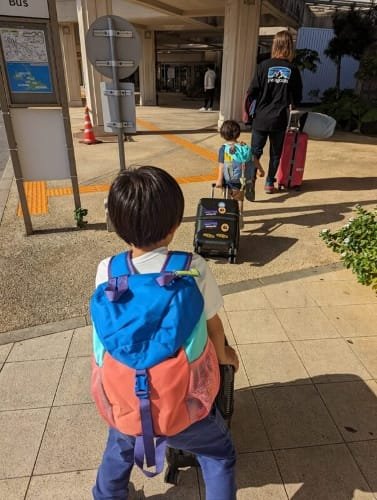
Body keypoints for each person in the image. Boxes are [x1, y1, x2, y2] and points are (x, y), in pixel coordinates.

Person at [91, 166, 239, 500]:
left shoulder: (108, 270)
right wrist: (226, 354)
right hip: (184, 403)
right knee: (219, 455)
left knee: (119, 445)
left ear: (117, 226)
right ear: (174, 227)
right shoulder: (192, 267)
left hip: (124, 396)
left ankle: (107, 494)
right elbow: (213, 325)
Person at [248, 30, 303, 193]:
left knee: (255, 151)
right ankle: (269, 183)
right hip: (280, 118)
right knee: (275, 153)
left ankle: (250, 179)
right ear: (290, 47)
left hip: (261, 117)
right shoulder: (293, 69)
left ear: (275, 45)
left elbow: (252, 91)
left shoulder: (263, 66)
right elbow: (298, 97)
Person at [216, 120, 265, 204]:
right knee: (238, 199)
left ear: (223, 134)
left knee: (227, 201)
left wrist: (219, 180)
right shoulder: (244, 147)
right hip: (244, 178)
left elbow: (222, 166)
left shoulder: (224, 149)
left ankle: (230, 211)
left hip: (230, 180)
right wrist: (261, 170)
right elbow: (254, 159)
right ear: (238, 133)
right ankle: (239, 211)